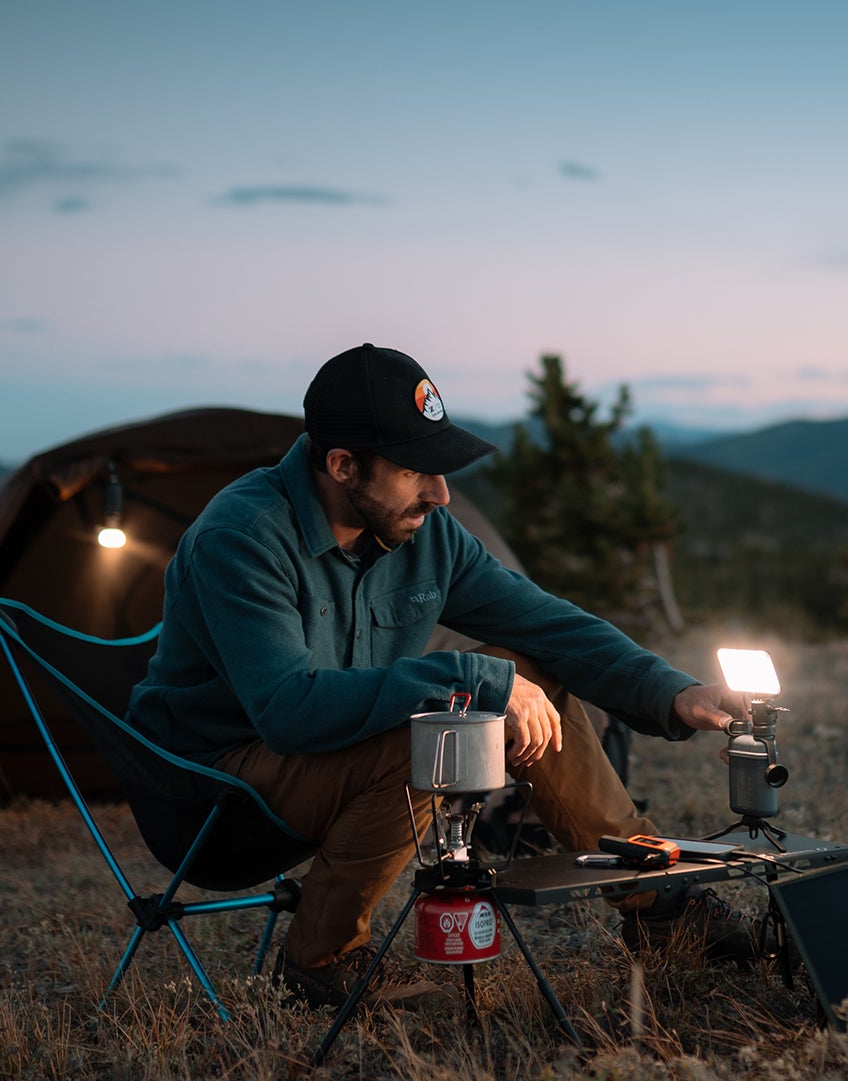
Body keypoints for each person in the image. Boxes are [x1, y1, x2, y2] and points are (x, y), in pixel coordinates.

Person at [128, 343, 753, 1010]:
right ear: (343, 466)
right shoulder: (245, 535)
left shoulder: (424, 535)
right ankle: (322, 959)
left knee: (522, 670)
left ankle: (658, 903)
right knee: (441, 735)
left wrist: (675, 693)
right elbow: (290, 711)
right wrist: (472, 678)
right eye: (415, 471)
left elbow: (546, 623)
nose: (441, 493)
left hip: (316, 759)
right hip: (213, 792)